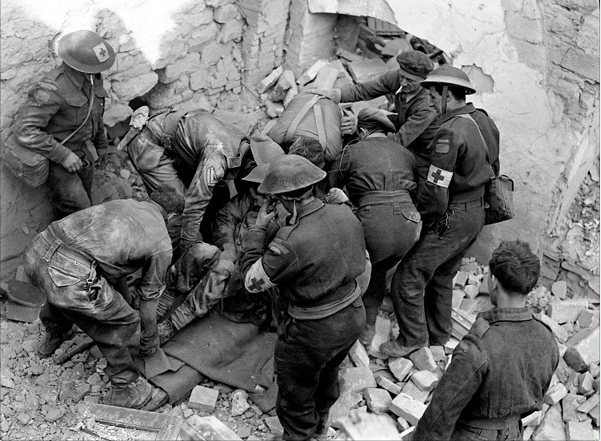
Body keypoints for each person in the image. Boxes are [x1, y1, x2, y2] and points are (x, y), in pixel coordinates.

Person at [239, 155, 370, 441]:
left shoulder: (290, 241)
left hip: (313, 329)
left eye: (276, 199)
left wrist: (257, 232)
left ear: (287, 200)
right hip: (352, 314)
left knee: (295, 391)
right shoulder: (345, 213)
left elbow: (252, 281)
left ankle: (299, 436)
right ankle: (320, 424)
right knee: (328, 373)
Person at [24, 185, 184, 409]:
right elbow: (149, 300)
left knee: (62, 288)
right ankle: (123, 389)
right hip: (69, 274)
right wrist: (149, 338)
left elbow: (111, 266)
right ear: (174, 216)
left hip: (37, 251)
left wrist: (123, 301)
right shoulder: (162, 243)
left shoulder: (124, 204)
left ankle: (55, 333)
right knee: (126, 322)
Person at [381, 66, 499, 357]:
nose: (431, 103)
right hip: (477, 211)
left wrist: (417, 217)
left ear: (447, 93)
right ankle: (438, 336)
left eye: (433, 96)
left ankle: (412, 340)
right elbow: (494, 166)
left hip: (454, 215)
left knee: (408, 276)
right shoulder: (482, 119)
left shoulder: (449, 133)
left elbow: (435, 192)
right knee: (444, 274)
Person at [411, 240, 559, 441]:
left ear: (494, 281)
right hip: (513, 432)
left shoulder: (479, 345)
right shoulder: (546, 337)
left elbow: (442, 413)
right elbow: (538, 393)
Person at [122, 108, 279, 252]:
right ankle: (169, 255)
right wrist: (190, 249)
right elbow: (194, 204)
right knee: (178, 208)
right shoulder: (218, 158)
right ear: (252, 164)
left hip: (178, 148)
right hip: (149, 146)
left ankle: (208, 237)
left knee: (220, 194)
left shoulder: (243, 146)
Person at [329, 107, 422, 346]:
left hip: (373, 221)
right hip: (409, 224)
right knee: (379, 272)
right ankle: (368, 327)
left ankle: (343, 329)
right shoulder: (406, 153)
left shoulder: (352, 151)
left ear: (361, 131)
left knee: (350, 271)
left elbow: (329, 187)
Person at [11, 30, 115, 218]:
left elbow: (97, 114)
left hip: (83, 154)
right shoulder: (53, 88)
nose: (99, 71)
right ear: (79, 66)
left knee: (84, 202)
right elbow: (24, 129)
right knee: (80, 212)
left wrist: (101, 147)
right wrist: (63, 155)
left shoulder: (92, 79)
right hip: (57, 158)